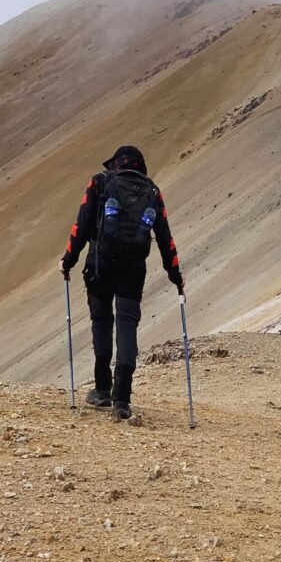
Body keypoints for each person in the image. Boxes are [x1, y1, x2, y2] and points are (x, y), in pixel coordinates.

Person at [60, 145, 184, 421]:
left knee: (101, 321)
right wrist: (176, 276)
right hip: (133, 269)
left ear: (114, 164)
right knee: (127, 325)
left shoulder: (100, 182)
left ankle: (102, 389)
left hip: (99, 265)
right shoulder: (152, 191)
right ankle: (122, 400)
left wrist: (67, 261)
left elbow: (81, 225)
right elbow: (165, 237)